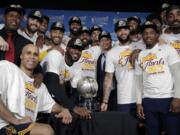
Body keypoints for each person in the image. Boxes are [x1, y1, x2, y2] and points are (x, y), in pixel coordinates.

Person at [0, 44, 72, 135]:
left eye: (35, 54)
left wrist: (64, 110)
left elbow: (52, 106)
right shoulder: (7, 68)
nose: (32, 57)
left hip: (25, 129)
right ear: (21, 56)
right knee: (46, 130)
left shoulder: (40, 86)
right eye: (28, 53)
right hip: (4, 126)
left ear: (38, 59)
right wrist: (16, 121)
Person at [135, 21, 180, 135]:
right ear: (142, 36)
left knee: (173, 131)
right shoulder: (140, 55)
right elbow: (139, 81)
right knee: (151, 132)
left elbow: (177, 73)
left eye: (151, 32)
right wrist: (139, 103)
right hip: (148, 101)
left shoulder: (168, 49)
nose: (148, 35)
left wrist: (177, 97)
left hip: (168, 99)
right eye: (145, 33)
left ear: (157, 35)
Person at [100, 20, 144, 116]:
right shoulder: (111, 53)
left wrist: (140, 51)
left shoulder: (142, 46)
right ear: (116, 33)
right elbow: (108, 78)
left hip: (144, 96)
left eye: (125, 29)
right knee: (127, 129)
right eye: (119, 30)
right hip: (124, 98)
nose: (123, 32)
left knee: (145, 128)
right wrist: (105, 101)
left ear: (129, 30)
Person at [42, 38, 91, 119]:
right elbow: (52, 86)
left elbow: (75, 93)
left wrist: (70, 108)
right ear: (67, 48)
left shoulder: (77, 66)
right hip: (37, 90)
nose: (76, 52)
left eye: (79, 50)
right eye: (74, 48)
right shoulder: (56, 55)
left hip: (54, 95)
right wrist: (73, 107)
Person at [96, 31, 117, 110]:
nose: (104, 42)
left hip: (115, 95)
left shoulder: (116, 55)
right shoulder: (99, 58)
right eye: (102, 40)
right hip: (102, 96)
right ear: (99, 43)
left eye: (107, 40)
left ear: (111, 41)